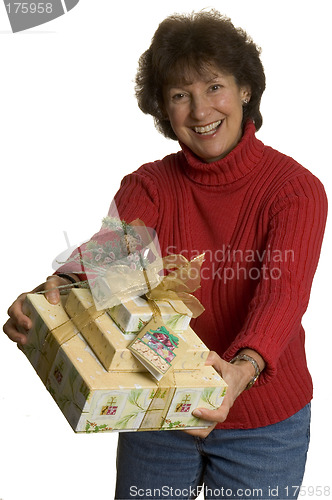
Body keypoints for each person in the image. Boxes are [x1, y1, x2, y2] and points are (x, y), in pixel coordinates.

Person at [3, 10, 328, 500]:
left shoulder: (295, 191)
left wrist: (241, 369)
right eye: (181, 96)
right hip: (157, 406)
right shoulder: (150, 186)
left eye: (214, 87)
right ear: (163, 109)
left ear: (245, 90)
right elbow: (110, 257)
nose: (200, 111)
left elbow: (282, 300)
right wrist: (51, 296)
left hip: (263, 426)